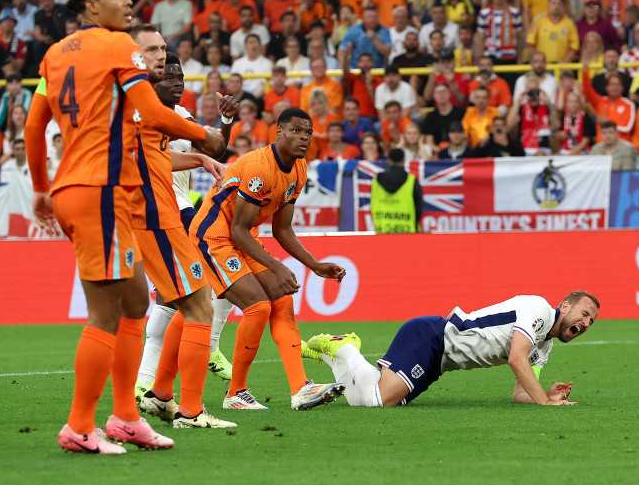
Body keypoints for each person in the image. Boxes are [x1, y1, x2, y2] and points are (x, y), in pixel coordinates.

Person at [24, 0, 225, 454]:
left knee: (136, 304)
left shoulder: (53, 56)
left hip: (79, 188)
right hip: (104, 190)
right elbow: (153, 114)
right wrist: (204, 137)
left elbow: (34, 126)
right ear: (90, 7)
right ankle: (79, 426)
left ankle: (127, 418)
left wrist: (39, 189)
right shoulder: (117, 47)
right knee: (104, 315)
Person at [189, 106, 346, 410]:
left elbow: (282, 229)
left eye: (308, 133)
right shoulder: (260, 168)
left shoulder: (299, 169)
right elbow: (237, 230)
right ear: (279, 133)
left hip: (243, 235)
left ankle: (301, 388)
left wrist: (314, 266)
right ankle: (235, 394)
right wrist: (277, 266)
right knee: (258, 307)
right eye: (296, 131)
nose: (304, 138)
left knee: (282, 301)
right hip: (213, 235)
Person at [122, 27, 236, 429]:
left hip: (159, 213)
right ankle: (188, 410)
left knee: (185, 305)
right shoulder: (145, 103)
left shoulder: (134, 100)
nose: (161, 58)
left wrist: (202, 160)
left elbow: (158, 158)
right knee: (197, 304)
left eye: (163, 50)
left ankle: (159, 396)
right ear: (135, 55)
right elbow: (213, 142)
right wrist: (210, 140)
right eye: (152, 50)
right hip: (154, 216)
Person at [303, 291, 599, 407]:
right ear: (564, 307)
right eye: (584, 314)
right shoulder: (540, 311)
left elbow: (521, 392)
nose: (586, 323)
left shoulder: (544, 347)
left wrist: (543, 395)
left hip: (438, 362)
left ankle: (334, 354)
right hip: (432, 337)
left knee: (360, 401)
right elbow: (516, 358)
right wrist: (546, 406)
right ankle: (348, 348)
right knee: (379, 400)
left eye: (591, 321)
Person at [369, 146, 422, 232]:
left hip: (382, 230)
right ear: (404, 161)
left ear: (388, 160)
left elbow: (372, 204)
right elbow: (419, 207)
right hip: (407, 232)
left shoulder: (376, 181)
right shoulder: (411, 180)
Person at [475, 0, 523, 69]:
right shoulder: (484, 14)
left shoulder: (515, 13)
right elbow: (481, 37)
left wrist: (520, 58)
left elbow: (519, 37)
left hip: (510, 56)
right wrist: (480, 59)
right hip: (490, 56)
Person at [526, 0, 579, 64]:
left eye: (559, 3)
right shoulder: (538, 20)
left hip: (562, 67)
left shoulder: (569, 23)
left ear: (563, 6)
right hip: (543, 66)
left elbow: (574, 46)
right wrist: (538, 61)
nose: (556, 6)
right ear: (548, 4)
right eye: (553, 3)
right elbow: (531, 43)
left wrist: (564, 62)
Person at [422, 81, 465, 155]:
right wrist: (443, 153)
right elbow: (429, 142)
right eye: (438, 92)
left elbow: (466, 138)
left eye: (444, 92)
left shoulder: (461, 113)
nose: (441, 95)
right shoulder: (430, 116)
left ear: (450, 94)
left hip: (459, 151)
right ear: (434, 96)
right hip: (437, 153)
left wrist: (454, 152)